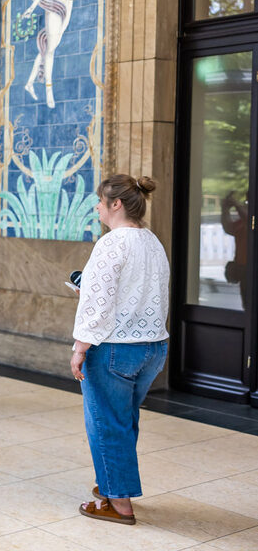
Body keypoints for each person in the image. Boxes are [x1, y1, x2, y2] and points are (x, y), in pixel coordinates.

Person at [72, 175, 170, 525]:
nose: (97, 206)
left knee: (106, 424)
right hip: (153, 347)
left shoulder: (112, 244)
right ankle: (113, 484)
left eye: (100, 200)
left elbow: (98, 303)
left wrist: (80, 347)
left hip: (114, 348)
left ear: (116, 204)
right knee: (123, 421)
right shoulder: (152, 242)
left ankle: (120, 504)